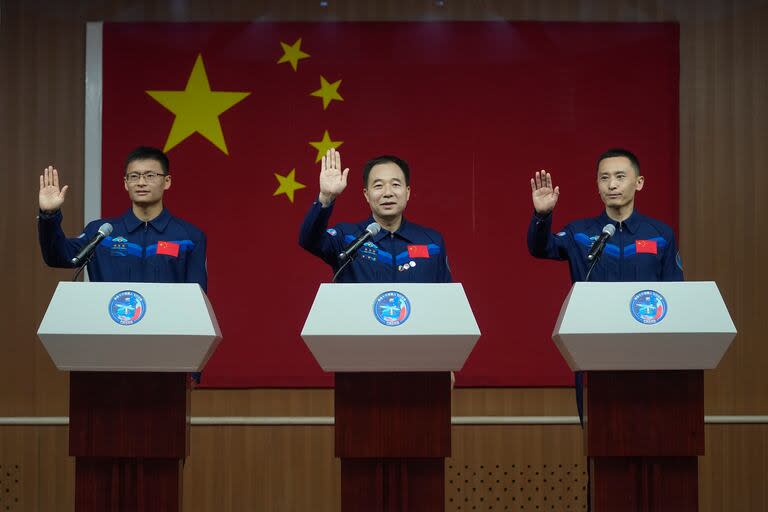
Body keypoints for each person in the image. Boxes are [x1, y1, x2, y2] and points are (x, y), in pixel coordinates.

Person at [527, 147, 683, 510]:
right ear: (597, 186)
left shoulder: (660, 234)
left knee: (652, 450)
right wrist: (542, 215)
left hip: (651, 366)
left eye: (620, 176)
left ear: (638, 183)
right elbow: (541, 248)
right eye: (604, 178)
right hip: (594, 362)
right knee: (603, 454)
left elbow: (676, 297)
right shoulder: (582, 233)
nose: (611, 185)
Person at [38, 146, 207, 292]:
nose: (141, 182)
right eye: (134, 176)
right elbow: (57, 256)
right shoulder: (101, 233)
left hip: (167, 329)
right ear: (125, 183)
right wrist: (49, 215)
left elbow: (197, 300)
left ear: (167, 181)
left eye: (150, 175)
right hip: (110, 328)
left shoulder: (189, 237)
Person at [299, 148, 450, 283]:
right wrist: (326, 198)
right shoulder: (347, 238)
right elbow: (309, 240)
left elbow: (447, 300)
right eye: (378, 186)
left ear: (407, 192)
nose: (388, 193)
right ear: (366, 195)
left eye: (396, 185)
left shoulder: (432, 242)